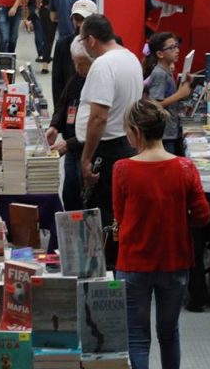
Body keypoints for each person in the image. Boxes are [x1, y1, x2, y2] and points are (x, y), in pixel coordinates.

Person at [114, 99, 210, 369]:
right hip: (174, 261)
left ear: (135, 130)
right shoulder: (185, 168)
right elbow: (203, 216)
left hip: (134, 262)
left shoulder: (122, 169)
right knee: (169, 333)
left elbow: (121, 217)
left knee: (137, 336)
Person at [77, 14, 143, 270]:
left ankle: (105, 273)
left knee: (103, 213)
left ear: (91, 40)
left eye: (83, 41)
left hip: (107, 149)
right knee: (119, 212)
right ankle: (118, 267)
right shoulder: (131, 58)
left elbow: (98, 118)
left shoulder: (103, 65)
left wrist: (86, 158)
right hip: (127, 144)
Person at [46, 37, 93, 211]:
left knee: (84, 199)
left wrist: (69, 143)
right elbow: (63, 103)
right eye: (75, 63)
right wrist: (54, 126)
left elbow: (97, 124)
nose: (77, 68)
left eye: (81, 64)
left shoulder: (97, 81)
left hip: (86, 150)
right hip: (72, 147)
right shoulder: (77, 77)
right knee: (69, 194)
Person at [142, 32, 191, 155]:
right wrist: (180, 94)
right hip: (165, 134)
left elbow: (168, 95)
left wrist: (185, 84)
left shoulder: (167, 70)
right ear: (160, 54)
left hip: (171, 130)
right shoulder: (159, 74)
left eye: (176, 46)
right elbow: (154, 105)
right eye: (171, 48)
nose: (177, 50)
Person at [52, 0, 97, 107]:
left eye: (84, 19)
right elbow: (57, 82)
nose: (80, 24)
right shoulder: (62, 45)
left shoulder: (104, 44)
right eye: (77, 19)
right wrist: (58, 115)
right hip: (71, 103)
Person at [36, 0, 69, 74]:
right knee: (64, 36)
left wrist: (38, 6)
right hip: (61, 10)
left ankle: (45, 65)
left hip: (45, 9)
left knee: (47, 38)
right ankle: (63, 64)